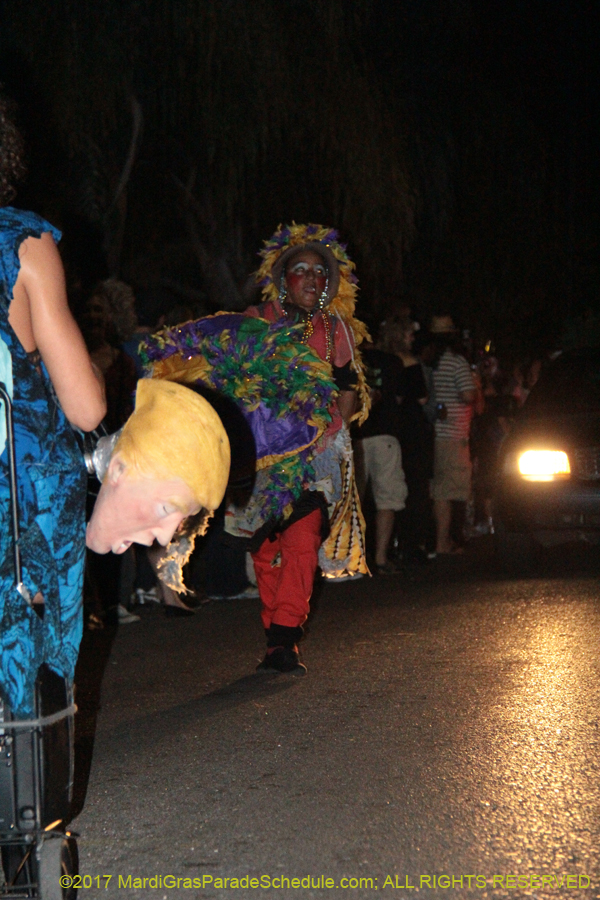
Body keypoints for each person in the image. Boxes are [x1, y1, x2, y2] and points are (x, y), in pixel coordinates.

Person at [138, 223, 370, 675]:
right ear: (283, 279)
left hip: (312, 457)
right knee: (266, 549)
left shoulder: (334, 328)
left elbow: (347, 384)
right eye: (300, 270)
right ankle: (275, 629)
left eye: (319, 272)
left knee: (303, 541)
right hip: (261, 458)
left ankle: (285, 638)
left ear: (328, 283)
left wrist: (333, 432)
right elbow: (220, 369)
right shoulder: (255, 320)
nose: (310, 279)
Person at [0, 91, 106, 715]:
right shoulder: (23, 244)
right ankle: (23, 798)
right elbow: (86, 409)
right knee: (28, 639)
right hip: (21, 481)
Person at [353, 323, 407, 574]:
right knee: (387, 498)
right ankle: (381, 558)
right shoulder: (391, 362)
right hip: (385, 433)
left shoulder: (347, 358)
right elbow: (398, 398)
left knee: (354, 499)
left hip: (357, 434)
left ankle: (353, 558)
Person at [429, 315, 478, 555]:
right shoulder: (456, 362)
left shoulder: (430, 361)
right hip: (453, 434)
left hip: (434, 433)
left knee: (438, 487)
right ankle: (443, 542)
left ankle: (439, 540)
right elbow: (468, 395)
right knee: (447, 491)